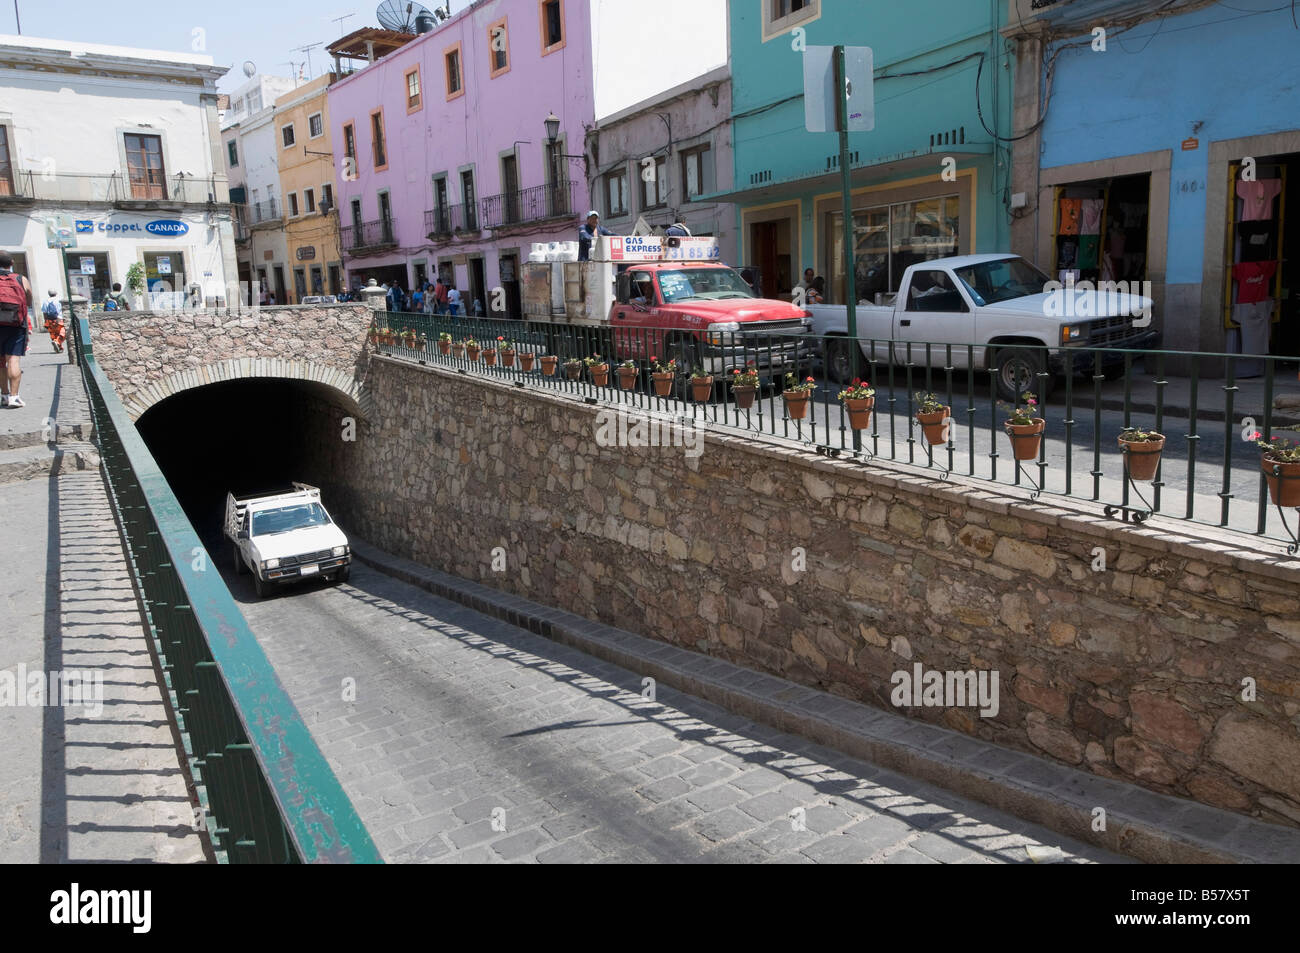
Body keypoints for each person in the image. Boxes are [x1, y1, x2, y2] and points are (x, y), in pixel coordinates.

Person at [0, 252, 32, 408]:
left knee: (0, 363)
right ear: (12, 262)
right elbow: (29, 297)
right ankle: (14, 397)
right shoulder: (20, 278)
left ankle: (4, 395)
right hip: (15, 324)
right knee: (13, 359)